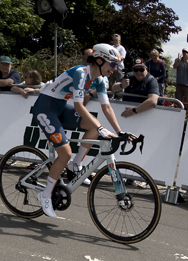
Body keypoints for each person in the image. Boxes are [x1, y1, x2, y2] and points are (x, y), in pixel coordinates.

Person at [27, 43, 126, 218]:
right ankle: (45, 194)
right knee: (65, 153)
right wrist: (102, 128)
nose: (114, 69)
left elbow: (107, 108)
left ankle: (76, 164)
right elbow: (79, 107)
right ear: (99, 60)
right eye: (112, 64)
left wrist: (120, 131)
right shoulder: (81, 73)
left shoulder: (101, 79)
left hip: (60, 107)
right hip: (45, 107)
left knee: (93, 127)